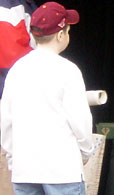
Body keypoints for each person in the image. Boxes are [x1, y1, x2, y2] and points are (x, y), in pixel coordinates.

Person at [0, 2, 95, 194]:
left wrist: (12, 159)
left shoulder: (16, 70)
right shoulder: (68, 70)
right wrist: (86, 150)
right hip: (62, 172)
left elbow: (6, 121)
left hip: (24, 171)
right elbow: (80, 120)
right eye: (68, 30)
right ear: (61, 35)